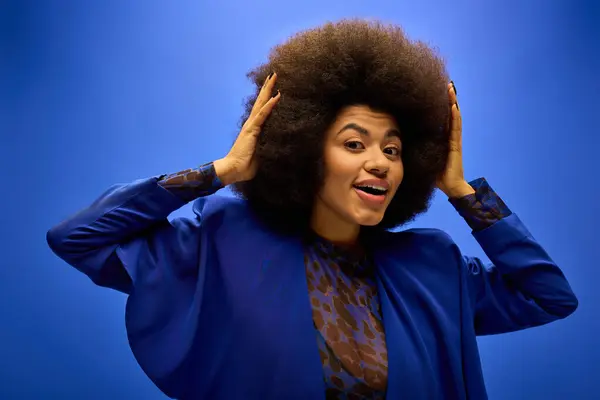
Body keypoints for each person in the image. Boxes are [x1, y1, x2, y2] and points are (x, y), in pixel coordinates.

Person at [47, 19, 578, 400]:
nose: (380, 164)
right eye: (354, 144)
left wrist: (463, 191)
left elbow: (549, 296)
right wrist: (219, 173)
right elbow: (78, 238)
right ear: (304, 150)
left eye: (393, 150)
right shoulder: (223, 238)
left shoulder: (433, 263)